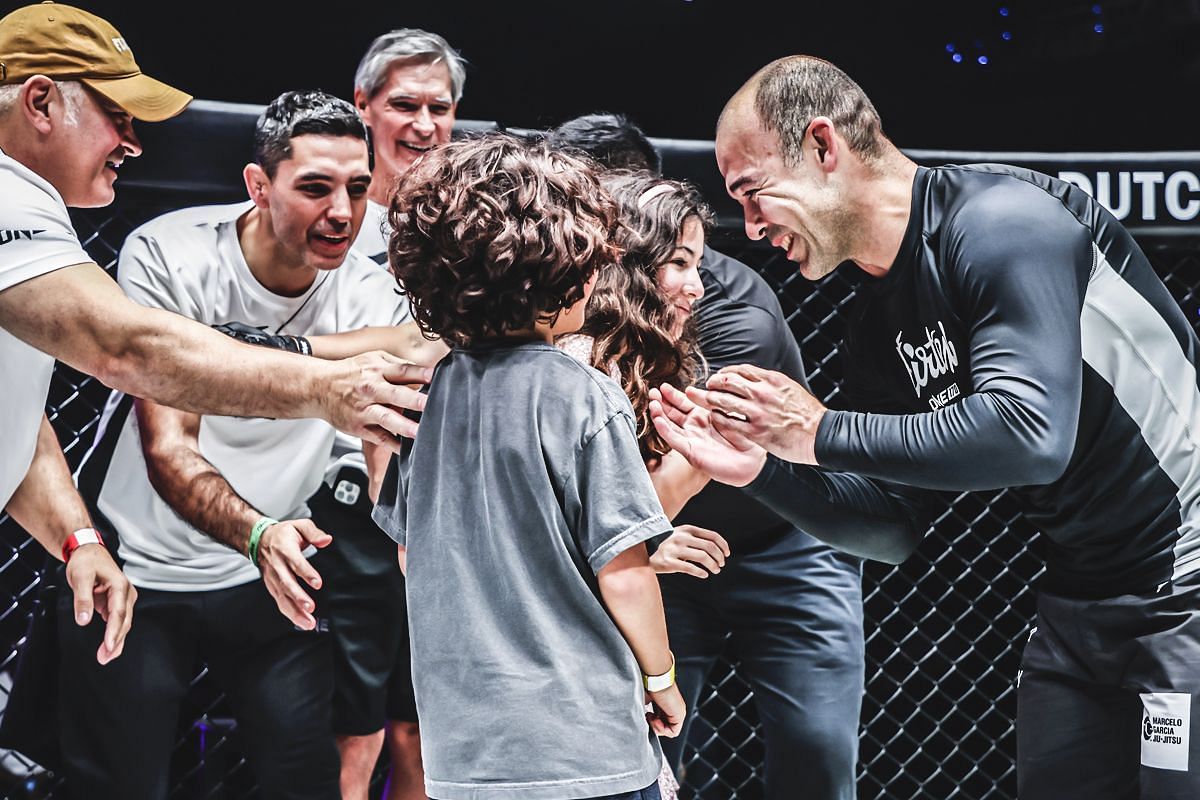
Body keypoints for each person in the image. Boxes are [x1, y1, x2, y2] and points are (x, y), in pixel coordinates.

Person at [652, 55, 1200, 798]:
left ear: (823, 146)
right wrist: (758, 469)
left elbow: (1031, 435)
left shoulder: (1004, 221)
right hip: (1079, 599)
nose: (748, 228)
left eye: (753, 192)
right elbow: (894, 529)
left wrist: (816, 432)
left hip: (1187, 585)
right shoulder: (881, 321)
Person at [0, 3, 428, 663]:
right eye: (117, 115)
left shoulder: (31, 209)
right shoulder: (8, 198)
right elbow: (128, 349)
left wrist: (76, 538)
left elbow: (15, 419)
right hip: (169, 557)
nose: (133, 141)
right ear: (39, 102)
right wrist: (328, 387)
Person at [58, 90, 417, 800]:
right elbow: (168, 447)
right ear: (259, 185)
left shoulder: (376, 290)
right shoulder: (173, 252)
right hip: (142, 571)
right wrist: (257, 533)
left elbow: (390, 427)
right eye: (315, 187)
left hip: (269, 579)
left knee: (306, 783)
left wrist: (410, 530)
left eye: (356, 187)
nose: (342, 212)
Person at [550, 115, 865, 800]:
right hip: (656, 548)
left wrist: (618, 545)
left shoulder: (730, 315)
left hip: (780, 544)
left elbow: (676, 471)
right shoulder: (558, 303)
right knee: (644, 748)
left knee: (816, 751)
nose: (565, 225)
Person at [375, 133, 685, 800]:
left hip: (465, 754)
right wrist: (660, 679)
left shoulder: (427, 395)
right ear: (557, 267)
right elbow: (625, 572)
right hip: (587, 746)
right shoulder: (585, 394)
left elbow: (410, 557)